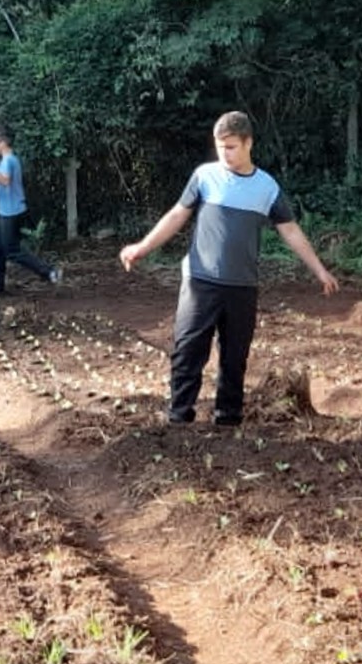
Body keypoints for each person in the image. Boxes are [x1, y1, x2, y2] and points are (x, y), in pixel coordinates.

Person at [119, 111, 340, 427]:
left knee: (235, 358)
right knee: (188, 351)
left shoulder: (266, 187)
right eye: (220, 146)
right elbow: (177, 216)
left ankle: (228, 421)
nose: (225, 153)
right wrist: (142, 248)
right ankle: (179, 418)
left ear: (248, 143)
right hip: (200, 282)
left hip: (242, 286)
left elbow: (290, 230)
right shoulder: (205, 176)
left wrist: (319, 270)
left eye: (232, 146)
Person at [0, 125, 61, 294]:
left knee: (12, 251)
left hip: (11, 213)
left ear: (3, 142)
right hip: (6, 212)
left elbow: (5, 181)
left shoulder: (9, 161)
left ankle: (49, 272)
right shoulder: (8, 160)